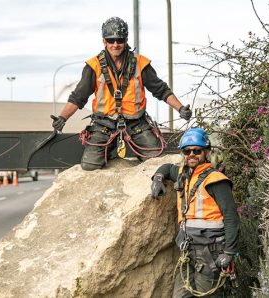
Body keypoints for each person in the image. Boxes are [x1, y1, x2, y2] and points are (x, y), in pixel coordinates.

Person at [51, 16, 192, 171]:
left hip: (136, 123)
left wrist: (180, 108)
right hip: (104, 124)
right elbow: (78, 97)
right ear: (104, 41)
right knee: (89, 165)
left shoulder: (140, 63)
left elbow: (161, 90)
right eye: (111, 41)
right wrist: (62, 117)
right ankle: (109, 151)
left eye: (120, 40)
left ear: (126, 40)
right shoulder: (94, 66)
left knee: (155, 159)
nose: (116, 44)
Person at [150, 128, 240, 297]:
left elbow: (231, 218)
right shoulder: (184, 175)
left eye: (197, 150)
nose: (191, 154)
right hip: (188, 251)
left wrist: (229, 252)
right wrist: (158, 177)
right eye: (187, 151)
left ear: (206, 152)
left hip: (210, 254)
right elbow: (168, 168)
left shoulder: (215, 180)